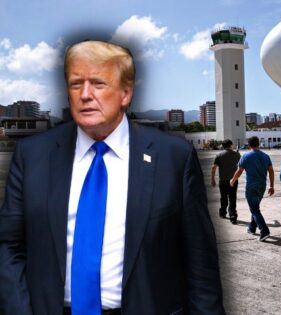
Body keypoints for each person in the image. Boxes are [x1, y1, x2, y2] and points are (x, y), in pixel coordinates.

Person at [0, 40, 225, 315]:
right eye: (75, 84)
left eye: (98, 83)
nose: (85, 94)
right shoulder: (31, 155)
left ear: (125, 93)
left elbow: (200, 263)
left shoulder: (174, 158)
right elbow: (9, 248)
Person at [230, 136, 274, 241]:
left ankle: (264, 230)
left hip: (251, 186)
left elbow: (239, 171)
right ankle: (252, 228)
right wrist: (272, 185)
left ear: (249, 145)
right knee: (255, 207)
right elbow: (271, 171)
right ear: (259, 144)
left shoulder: (246, 156)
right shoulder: (266, 156)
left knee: (254, 209)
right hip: (262, 186)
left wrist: (233, 180)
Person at [211, 139, 241, 224]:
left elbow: (214, 167)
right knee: (232, 198)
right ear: (230, 145)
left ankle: (223, 213)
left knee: (223, 197)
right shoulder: (236, 154)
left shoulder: (219, 155)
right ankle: (233, 215)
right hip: (233, 180)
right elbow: (241, 165)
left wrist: (213, 179)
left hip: (223, 180)